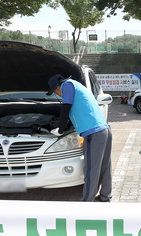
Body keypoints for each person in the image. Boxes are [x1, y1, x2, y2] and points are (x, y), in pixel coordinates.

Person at [46, 74, 112, 202]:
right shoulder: (77, 85)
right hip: (104, 130)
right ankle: (105, 196)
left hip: (94, 134)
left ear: (58, 87)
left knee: (91, 169)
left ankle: (86, 202)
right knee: (105, 166)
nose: (57, 94)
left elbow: (65, 109)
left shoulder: (68, 85)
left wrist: (60, 130)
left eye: (55, 91)